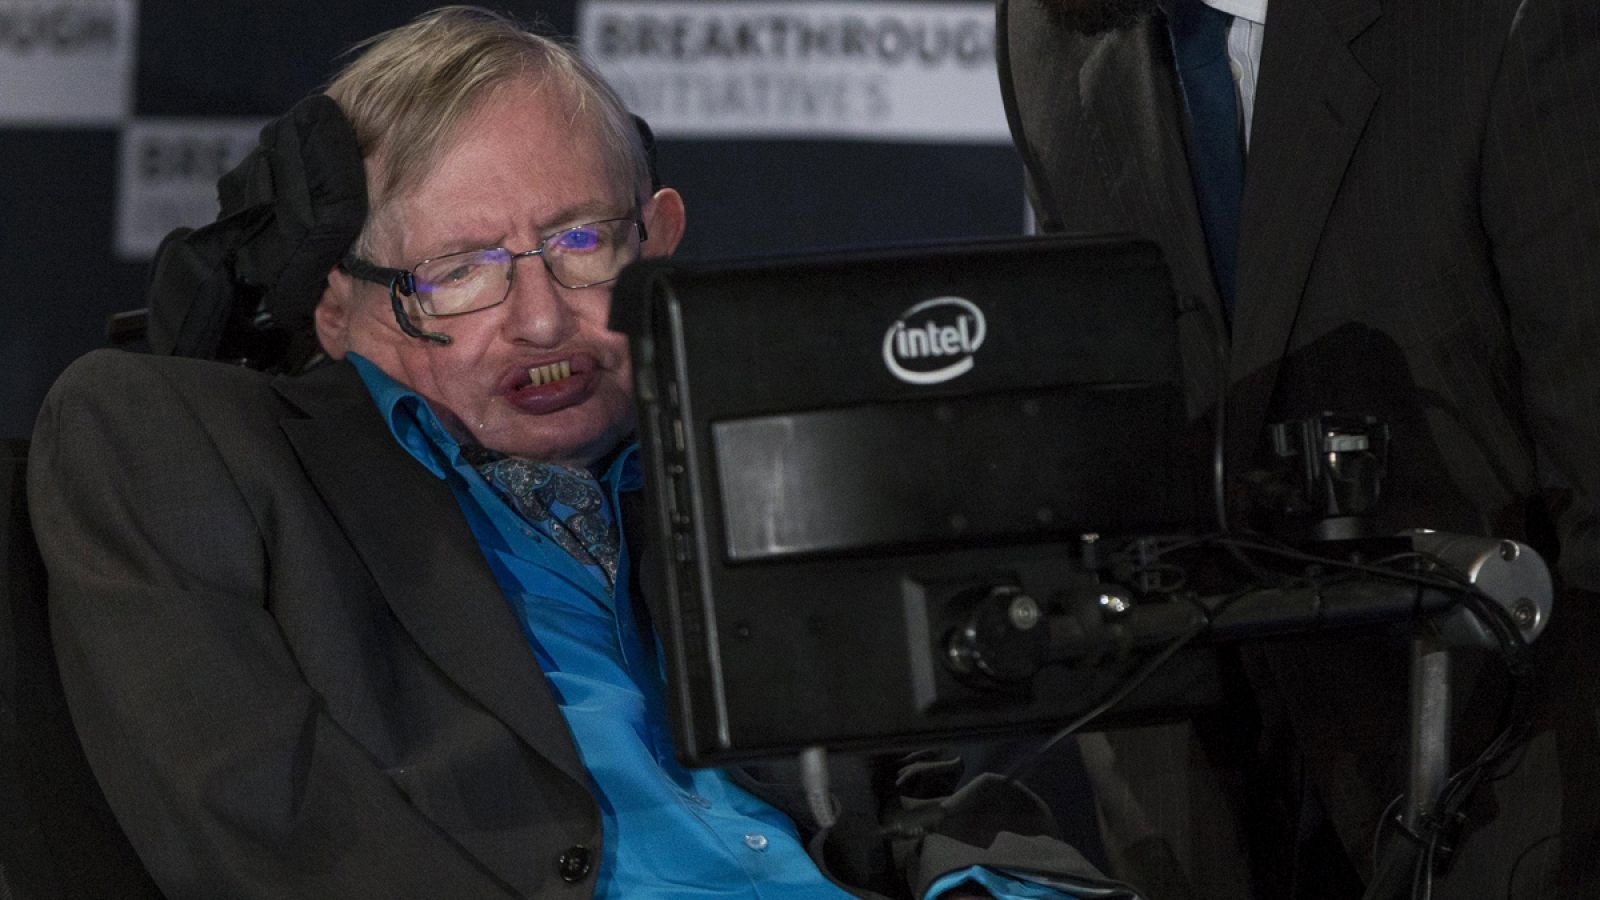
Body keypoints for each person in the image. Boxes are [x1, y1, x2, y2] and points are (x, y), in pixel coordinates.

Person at [28, 6, 1140, 899]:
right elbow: (264, 834)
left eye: (579, 243)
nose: (542, 319)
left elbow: (931, 783)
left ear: (656, 235)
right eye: (458, 270)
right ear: (334, 307)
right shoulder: (184, 441)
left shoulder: (742, 458)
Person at [996, 0, 1600, 896]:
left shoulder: (1510, 23)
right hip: (1219, 820)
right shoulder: (1047, 28)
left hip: (1510, 778)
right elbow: (1112, 467)